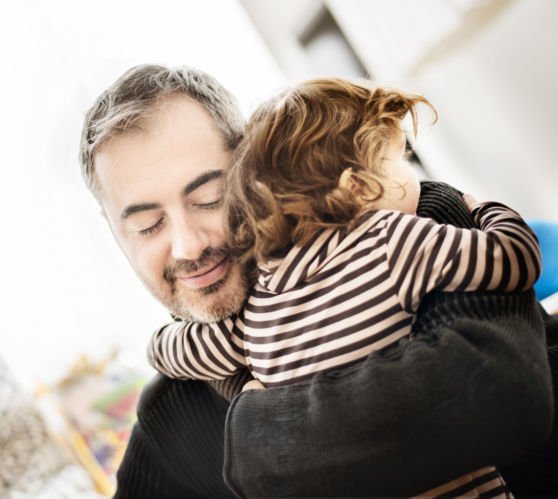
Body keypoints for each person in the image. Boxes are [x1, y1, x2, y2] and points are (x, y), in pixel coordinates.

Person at [79, 64, 555, 497]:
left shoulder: (407, 226)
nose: (187, 246)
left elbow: (501, 396)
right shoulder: (168, 423)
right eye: (147, 225)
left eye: (208, 198)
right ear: (116, 234)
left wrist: (258, 436)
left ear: (252, 171)